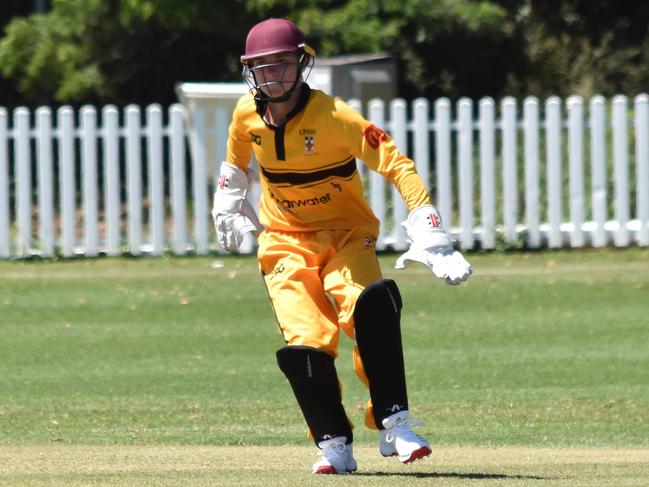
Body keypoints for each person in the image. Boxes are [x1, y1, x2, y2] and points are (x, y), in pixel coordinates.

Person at [212, 18, 472, 475]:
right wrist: (228, 204)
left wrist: (429, 228)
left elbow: (396, 164)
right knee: (305, 345)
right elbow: (235, 165)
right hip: (284, 242)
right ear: (251, 71)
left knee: (371, 307)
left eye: (284, 64)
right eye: (264, 67)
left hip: (348, 235)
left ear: (302, 64)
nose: (275, 75)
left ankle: (396, 423)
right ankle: (333, 444)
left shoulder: (336, 116)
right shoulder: (245, 115)